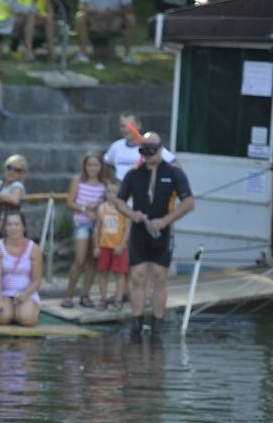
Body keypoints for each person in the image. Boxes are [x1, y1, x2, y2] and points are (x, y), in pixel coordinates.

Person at [114, 131, 195, 341]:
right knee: (138, 276)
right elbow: (119, 201)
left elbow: (189, 203)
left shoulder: (173, 173)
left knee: (159, 277)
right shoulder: (133, 174)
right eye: (144, 151)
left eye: (152, 151)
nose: (148, 155)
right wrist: (132, 214)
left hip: (162, 231)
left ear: (160, 150)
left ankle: (158, 324)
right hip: (140, 230)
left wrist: (166, 220)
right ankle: (136, 323)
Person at [61, 153, 106, 308]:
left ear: (101, 167)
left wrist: (97, 208)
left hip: (97, 226)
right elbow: (70, 202)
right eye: (89, 165)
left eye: (96, 165)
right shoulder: (78, 180)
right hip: (81, 223)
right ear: (85, 166)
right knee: (79, 260)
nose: (93, 168)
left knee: (92, 261)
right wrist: (86, 209)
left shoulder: (103, 185)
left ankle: (85, 295)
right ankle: (68, 295)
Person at [74, 0, 137, 65]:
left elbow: (129, 8)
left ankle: (128, 55)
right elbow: (81, 6)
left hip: (114, 20)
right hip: (94, 19)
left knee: (130, 18)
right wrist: (98, 11)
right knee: (80, 16)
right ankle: (82, 54)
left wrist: (114, 12)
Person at [0, 212, 41, 327]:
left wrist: (25, 294)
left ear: (23, 227)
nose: (13, 228)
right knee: (3, 318)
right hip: (5, 293)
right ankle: (11, 311)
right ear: (5, 227)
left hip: (27, 293)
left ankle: (26, 309)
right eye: (9, 224)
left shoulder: (34, 248)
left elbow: (37, 280)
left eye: (16, 224)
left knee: (27, 319)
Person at [104, 112, 176, 182]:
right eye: (123, 126)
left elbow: (174, 163)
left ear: (139, 125)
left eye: (130, 126)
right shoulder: (116, 146)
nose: (126, 129)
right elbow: (107, 164)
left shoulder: (150, 145)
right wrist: (112, 182)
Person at [93, 177, 130, 311]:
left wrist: (122, 245)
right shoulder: (102, 208)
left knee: (120, 274)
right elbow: (97, 228)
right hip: (104, 246)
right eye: (109, 192)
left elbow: (127, 229)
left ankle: (118, 300)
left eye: (115, 192)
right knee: (103, 272)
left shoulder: (124, 209)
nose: (112, 195)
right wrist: (96, 246)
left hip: (118, 247)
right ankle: (103, 299)